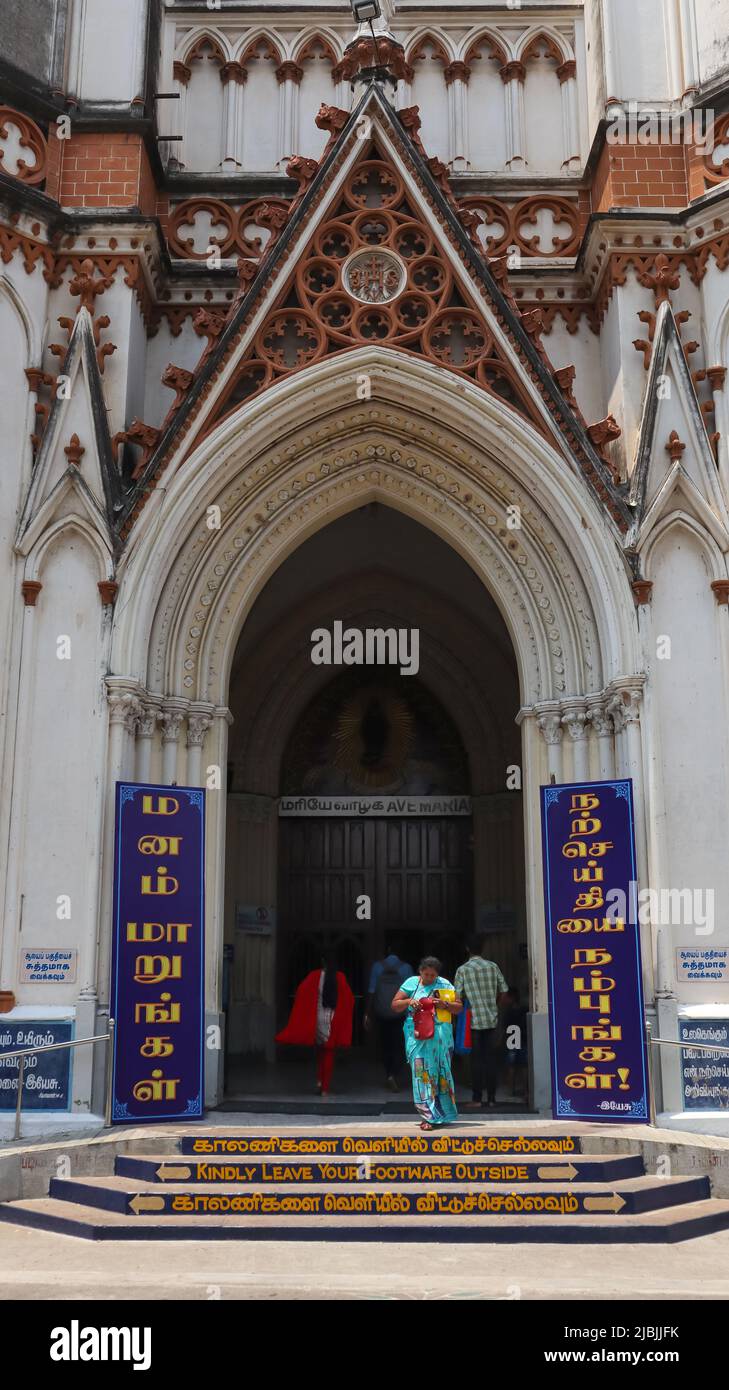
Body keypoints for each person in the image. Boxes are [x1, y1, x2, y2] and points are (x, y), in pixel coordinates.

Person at [391, 956, 462, 1130]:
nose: (429, 978)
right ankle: (428, 1117)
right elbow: (394, 1005)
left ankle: (443, 1113)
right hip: (418, 1036)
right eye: (426, 974)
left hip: (440, 1038)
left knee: (441, 1073)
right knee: (422, 1073)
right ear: (420, 971)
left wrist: (445, 1004)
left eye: (432, 975)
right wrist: (409, 1001)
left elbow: (458, 1007)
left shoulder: (445, 985)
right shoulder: (411, 983)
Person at [275, 953, 354, 1098]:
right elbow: (349, 997)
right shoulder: (340, 977)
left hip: (317, 1017)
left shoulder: (314, 976)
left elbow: (301, 991)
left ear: (322, 961)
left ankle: (319, 1082)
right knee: (329, 1053)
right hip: (332, 1018)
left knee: (320, 1052)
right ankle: (325, 1089)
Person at [454, 937, 509, 1110]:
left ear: (467, 948)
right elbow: (504, 992)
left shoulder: (463, 970)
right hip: (492, 1021)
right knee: (491, 1060)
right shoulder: (493, 967)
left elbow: (457, 996)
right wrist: (495, 1006)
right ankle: (492, 1098)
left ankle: (477, 1098)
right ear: (483, 948)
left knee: (476, 1061)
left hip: (473, 1022)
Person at [364, 950, 413, 1090]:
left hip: (382, 1012)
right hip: (400, 1013)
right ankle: (395, 1073)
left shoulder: (377, 967)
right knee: (399, 1044)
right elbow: (412, 992)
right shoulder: (406, 968)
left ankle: (389, 1074)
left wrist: (368, 1013)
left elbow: (372, 991)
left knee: (385, 1044)